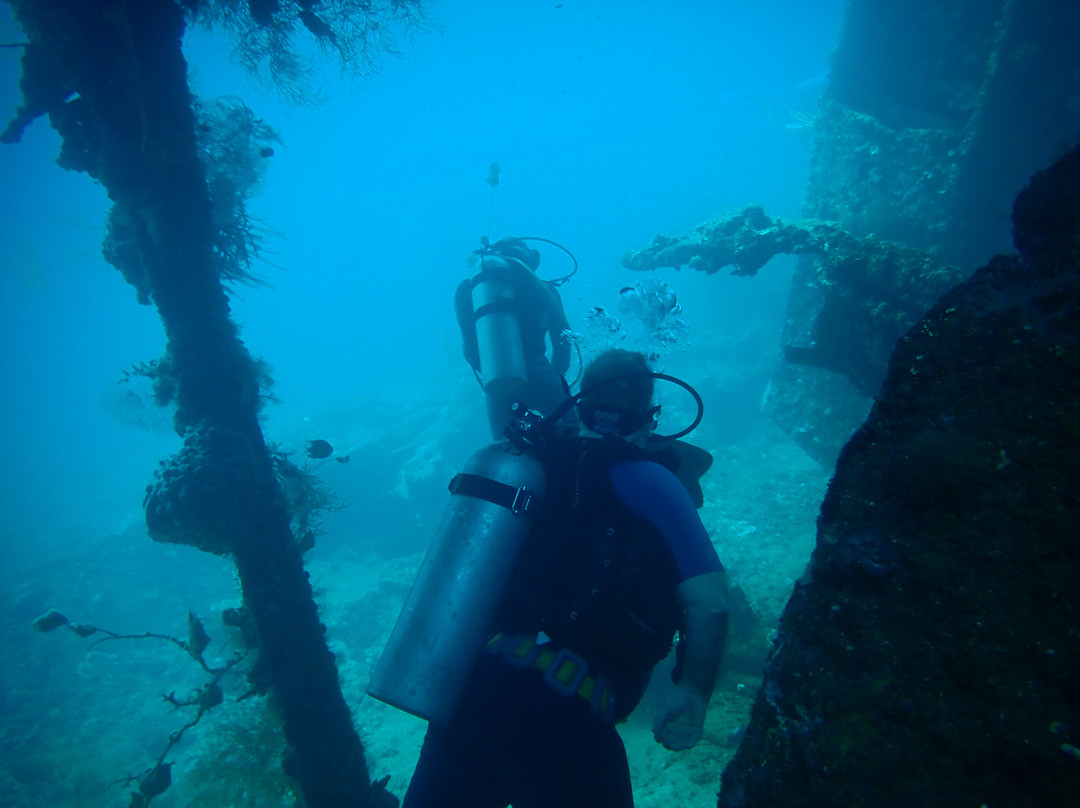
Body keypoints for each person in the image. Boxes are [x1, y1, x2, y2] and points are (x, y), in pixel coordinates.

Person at [402, 349, 729, 808]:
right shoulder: (652, 482)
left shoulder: (529, 467)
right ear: (650, 417)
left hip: (469, 691)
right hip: (561, 708)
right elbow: (710, 602)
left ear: (578, 407)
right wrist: (693, 692)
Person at [455, 237, 574, 439]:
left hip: (498, 380)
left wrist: (494, 368)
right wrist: (555, 374)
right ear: (531, 259)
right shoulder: (545, 289)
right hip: (541, 373)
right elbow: (563, 340)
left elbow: (469, 352)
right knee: (572, 436)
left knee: (503, 450)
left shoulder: (470, 290)